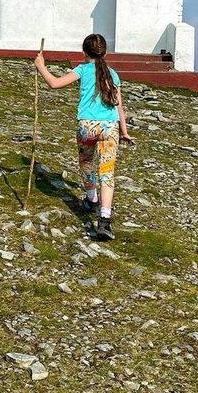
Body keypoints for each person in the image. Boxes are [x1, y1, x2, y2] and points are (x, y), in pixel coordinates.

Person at [34, 33, 135, 239]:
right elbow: (119, 106)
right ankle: (105, 220)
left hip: (87, 125)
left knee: (86, 162)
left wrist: (41, 66)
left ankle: (91, 199)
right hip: (109, 127)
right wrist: (124, 131)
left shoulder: (82, 70)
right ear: (105, 52)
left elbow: (55, 83)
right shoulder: (113, 74)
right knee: (106, 172)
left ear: (84, 52)